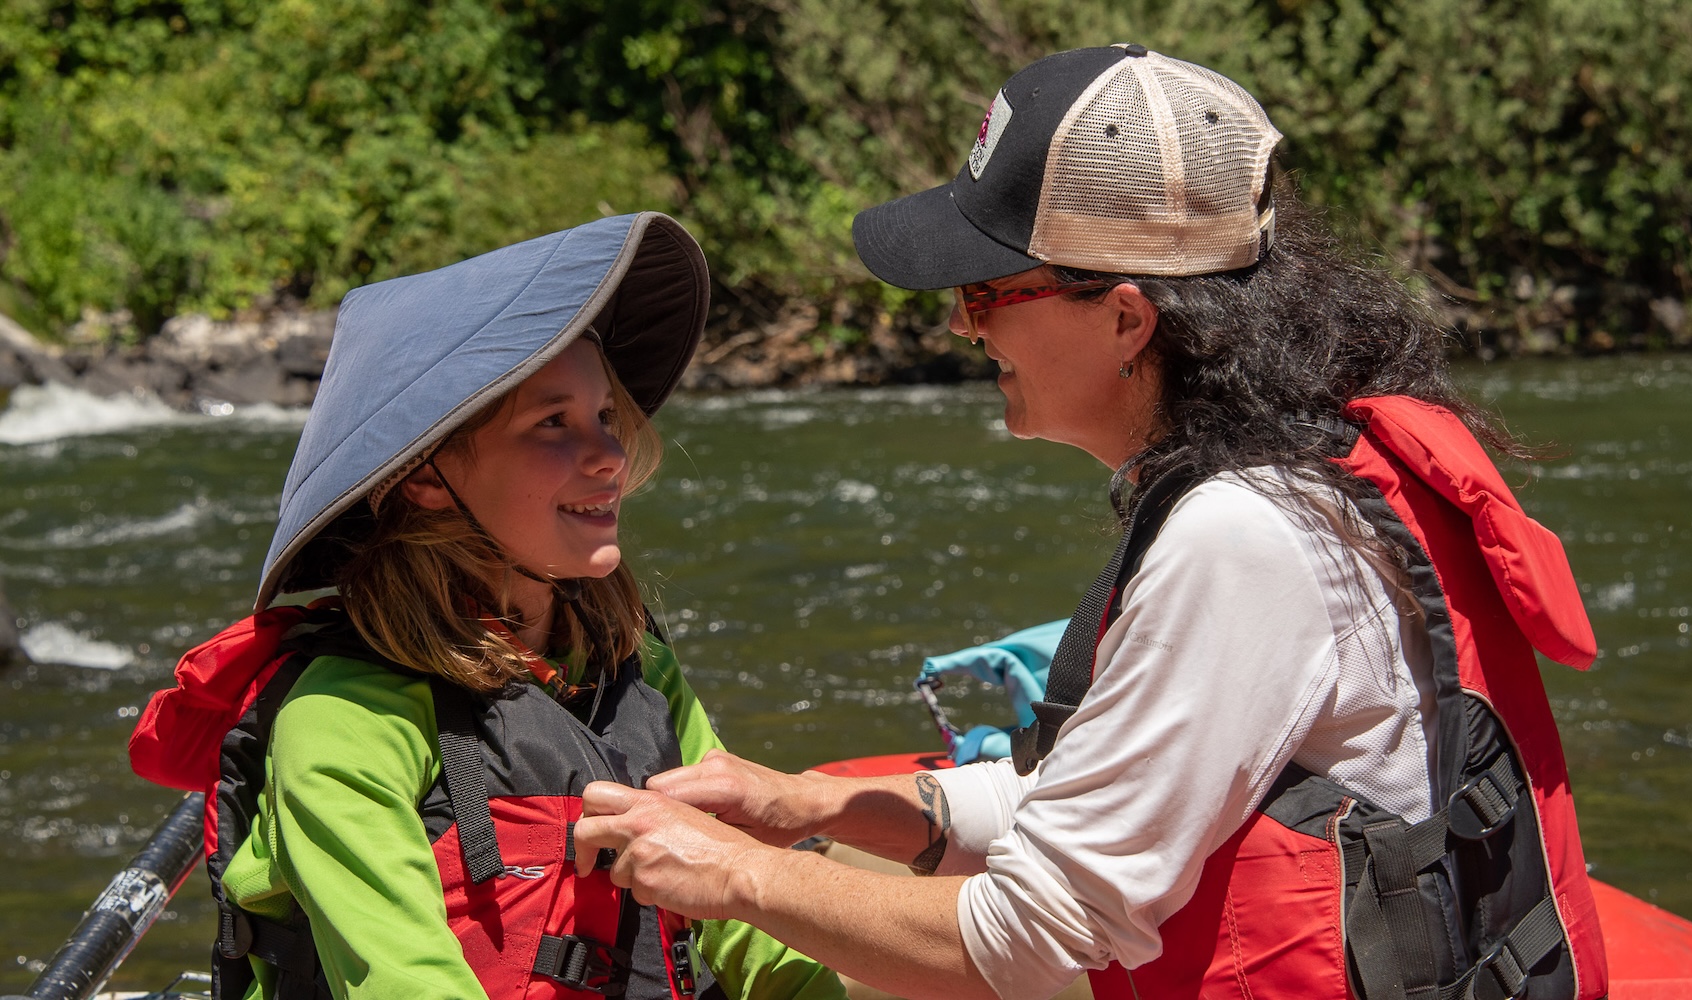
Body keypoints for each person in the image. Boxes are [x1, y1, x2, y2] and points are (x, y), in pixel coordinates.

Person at [574, 47, 1611, 1000]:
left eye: (984, 291)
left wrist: (732, 874)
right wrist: (824, 808)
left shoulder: (1244, 535)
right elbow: (1104, 803)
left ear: (1124, 318)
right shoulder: (1309, 464)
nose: (957, 323)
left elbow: (1030, 935)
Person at [133, 214, 844, 999]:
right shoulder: (343, 720)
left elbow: (751, 928)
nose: (609, 454)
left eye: (606, 416)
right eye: (553, 424)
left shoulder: (636, 669)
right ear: (426, 479)